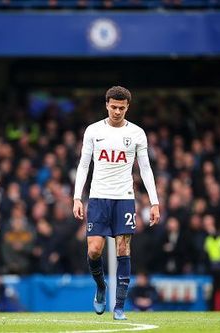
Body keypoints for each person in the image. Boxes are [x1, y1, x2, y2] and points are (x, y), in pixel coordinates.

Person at [72, 86, 160, 320]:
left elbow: (146, 168)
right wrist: (77, 197)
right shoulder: (93, 131)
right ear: (107, 105)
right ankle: (101, 286)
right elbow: (83, 165)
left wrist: (154, 202)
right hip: (99, 197)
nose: (117, 111)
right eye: (114, 107)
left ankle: (119, 306)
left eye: (122, 108)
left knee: (123, 248)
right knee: (94, 250)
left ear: (128, 107)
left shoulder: (138, 134)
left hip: (124, 198)